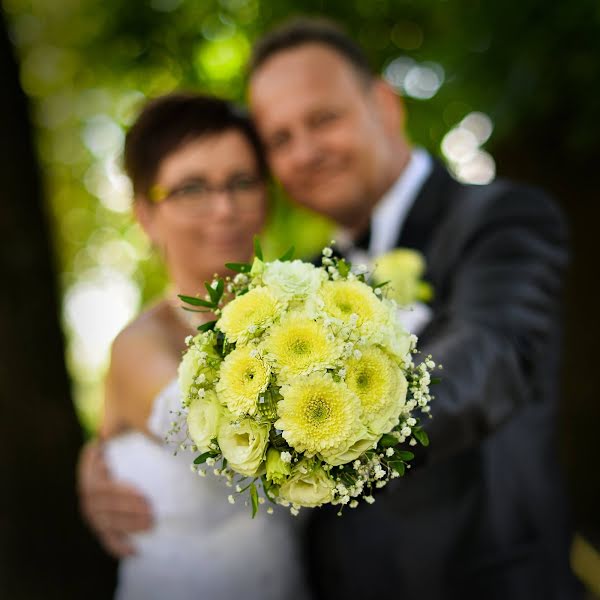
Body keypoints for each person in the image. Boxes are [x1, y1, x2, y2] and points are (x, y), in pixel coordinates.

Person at [79, 19, 582, 599]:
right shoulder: (303, 285)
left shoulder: (499, 219)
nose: (306, 151)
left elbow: (489, 358)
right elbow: (183, 422)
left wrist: (343, 417)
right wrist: (103, 463)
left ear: (385, 106)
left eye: (323, 119)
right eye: (281, 138)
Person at [81, 92, 308, 600]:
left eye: (242, 182)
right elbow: (232, 445)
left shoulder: (307, 323)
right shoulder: (139, 347)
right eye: (191, 188)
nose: (225, 209)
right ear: (146, 213)